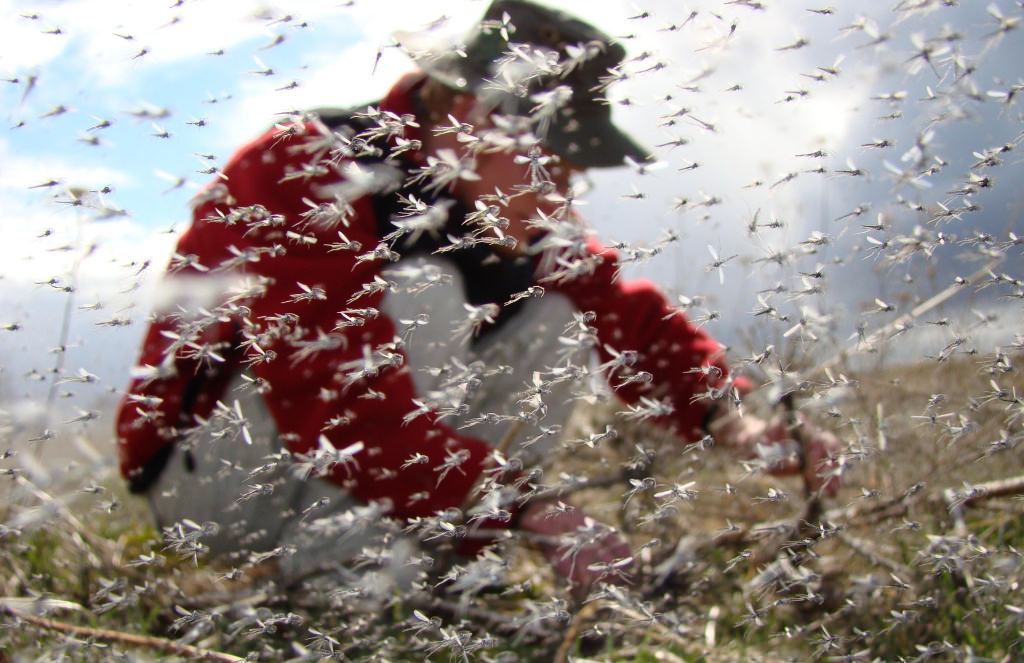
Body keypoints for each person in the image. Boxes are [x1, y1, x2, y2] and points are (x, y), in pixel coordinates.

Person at [115, 0, 840, 599]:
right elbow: (331, 396)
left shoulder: (511, 213)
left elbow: (626, 318)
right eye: (547, 161)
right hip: (213, 488)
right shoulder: (307, 164)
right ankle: (334, 588)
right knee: (427, 293)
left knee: (558, 318)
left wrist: (732, 418)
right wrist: (533, 511)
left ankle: (431, 567)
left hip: (339, 467)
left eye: (568, 171)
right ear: (469, 115)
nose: (560, 192)